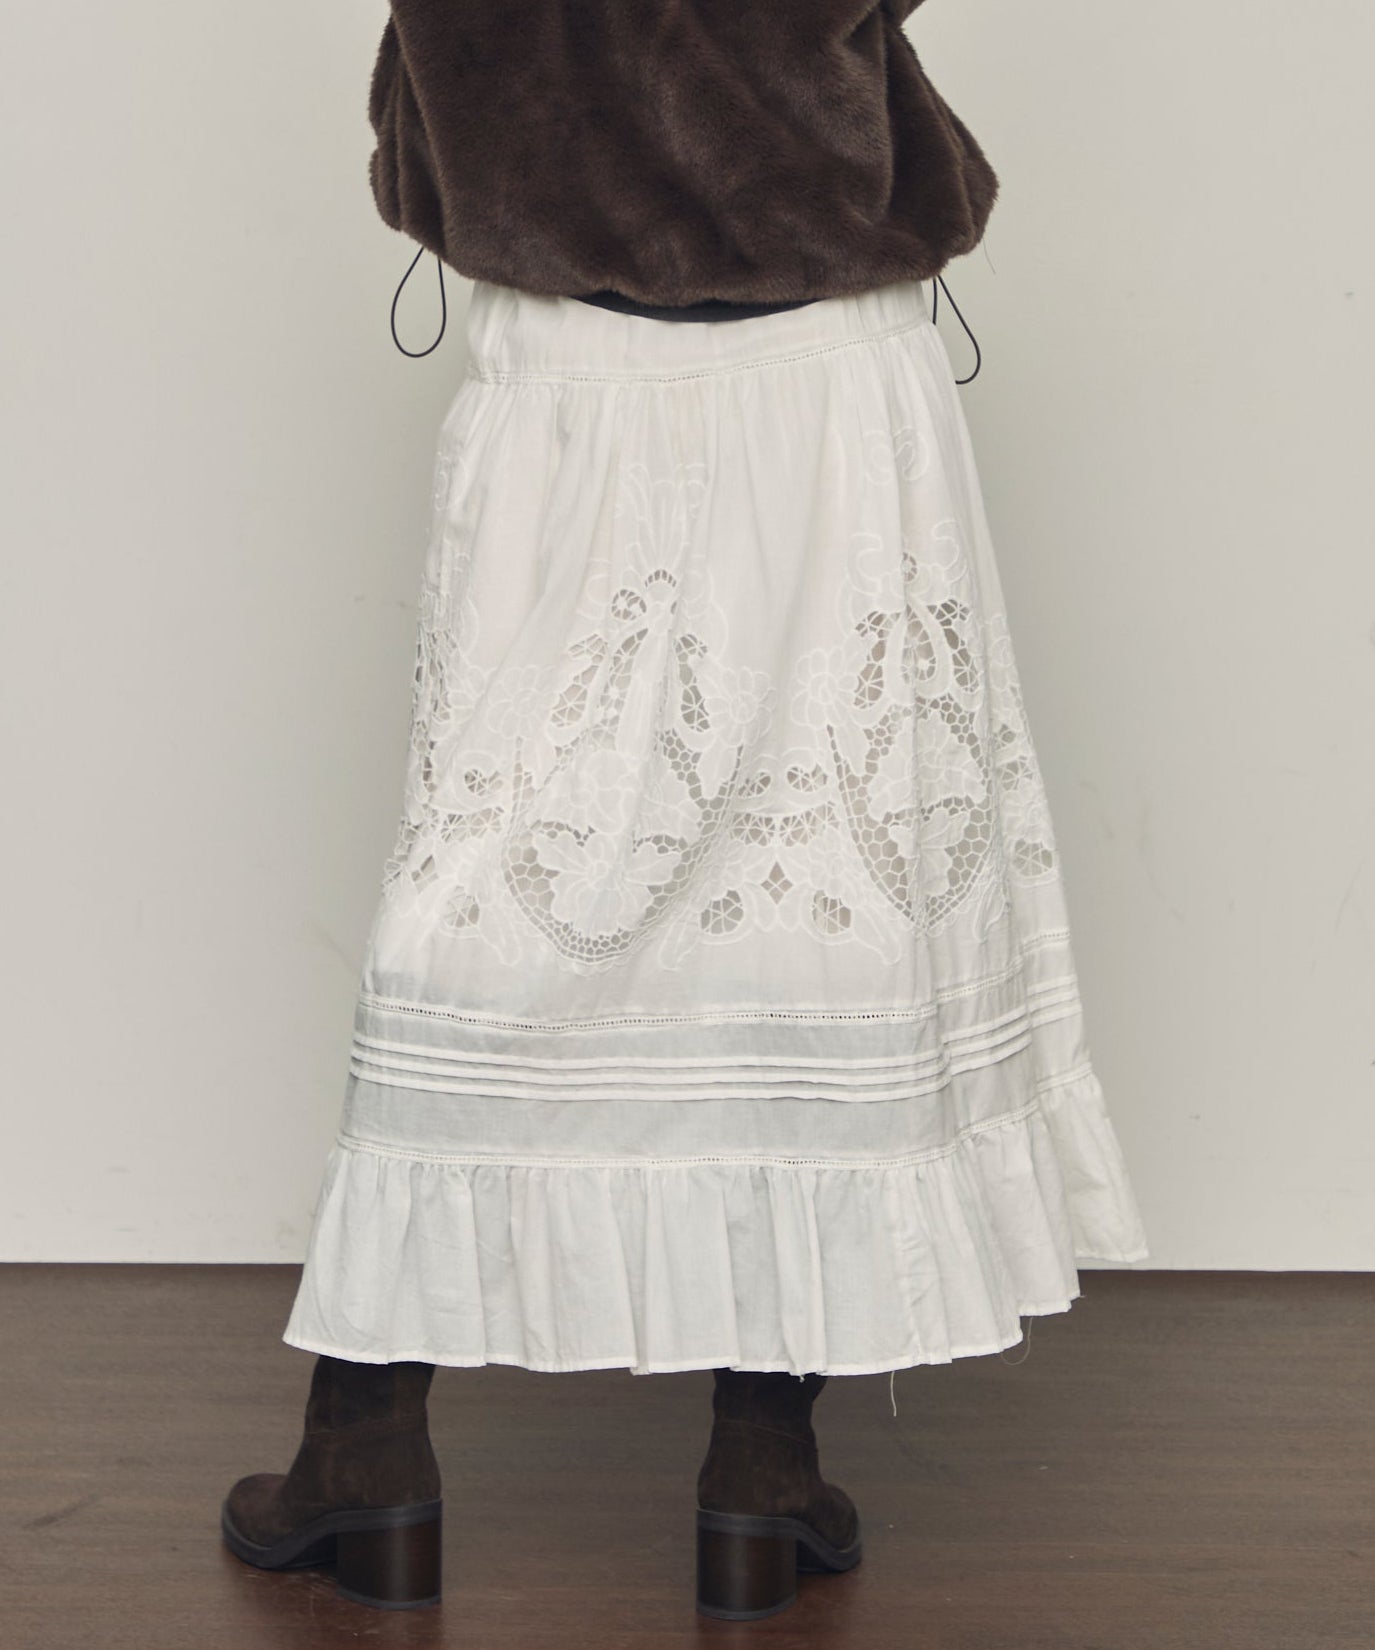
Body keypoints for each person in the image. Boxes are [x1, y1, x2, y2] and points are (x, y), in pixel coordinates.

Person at [220, 0, 1149, 1619]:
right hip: (823, 369)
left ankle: (368, 1440)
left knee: (489, 887)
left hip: (571, 369)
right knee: (816, 910)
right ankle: (760, 1467)